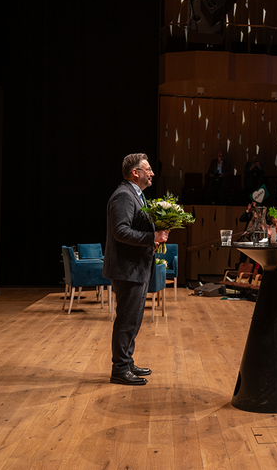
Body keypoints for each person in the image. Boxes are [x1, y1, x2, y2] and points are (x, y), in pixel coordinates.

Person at [104, 153, 169, 386]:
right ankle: (120, 369)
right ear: (135, 172)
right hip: (127, 269)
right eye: (148, 169)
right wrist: (152, 237)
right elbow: (120, 232)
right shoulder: (124, 195)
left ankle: (127, 361)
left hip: (136, 268)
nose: (152, 173)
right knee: (126, 320)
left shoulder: (136, 195)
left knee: (134, 319)